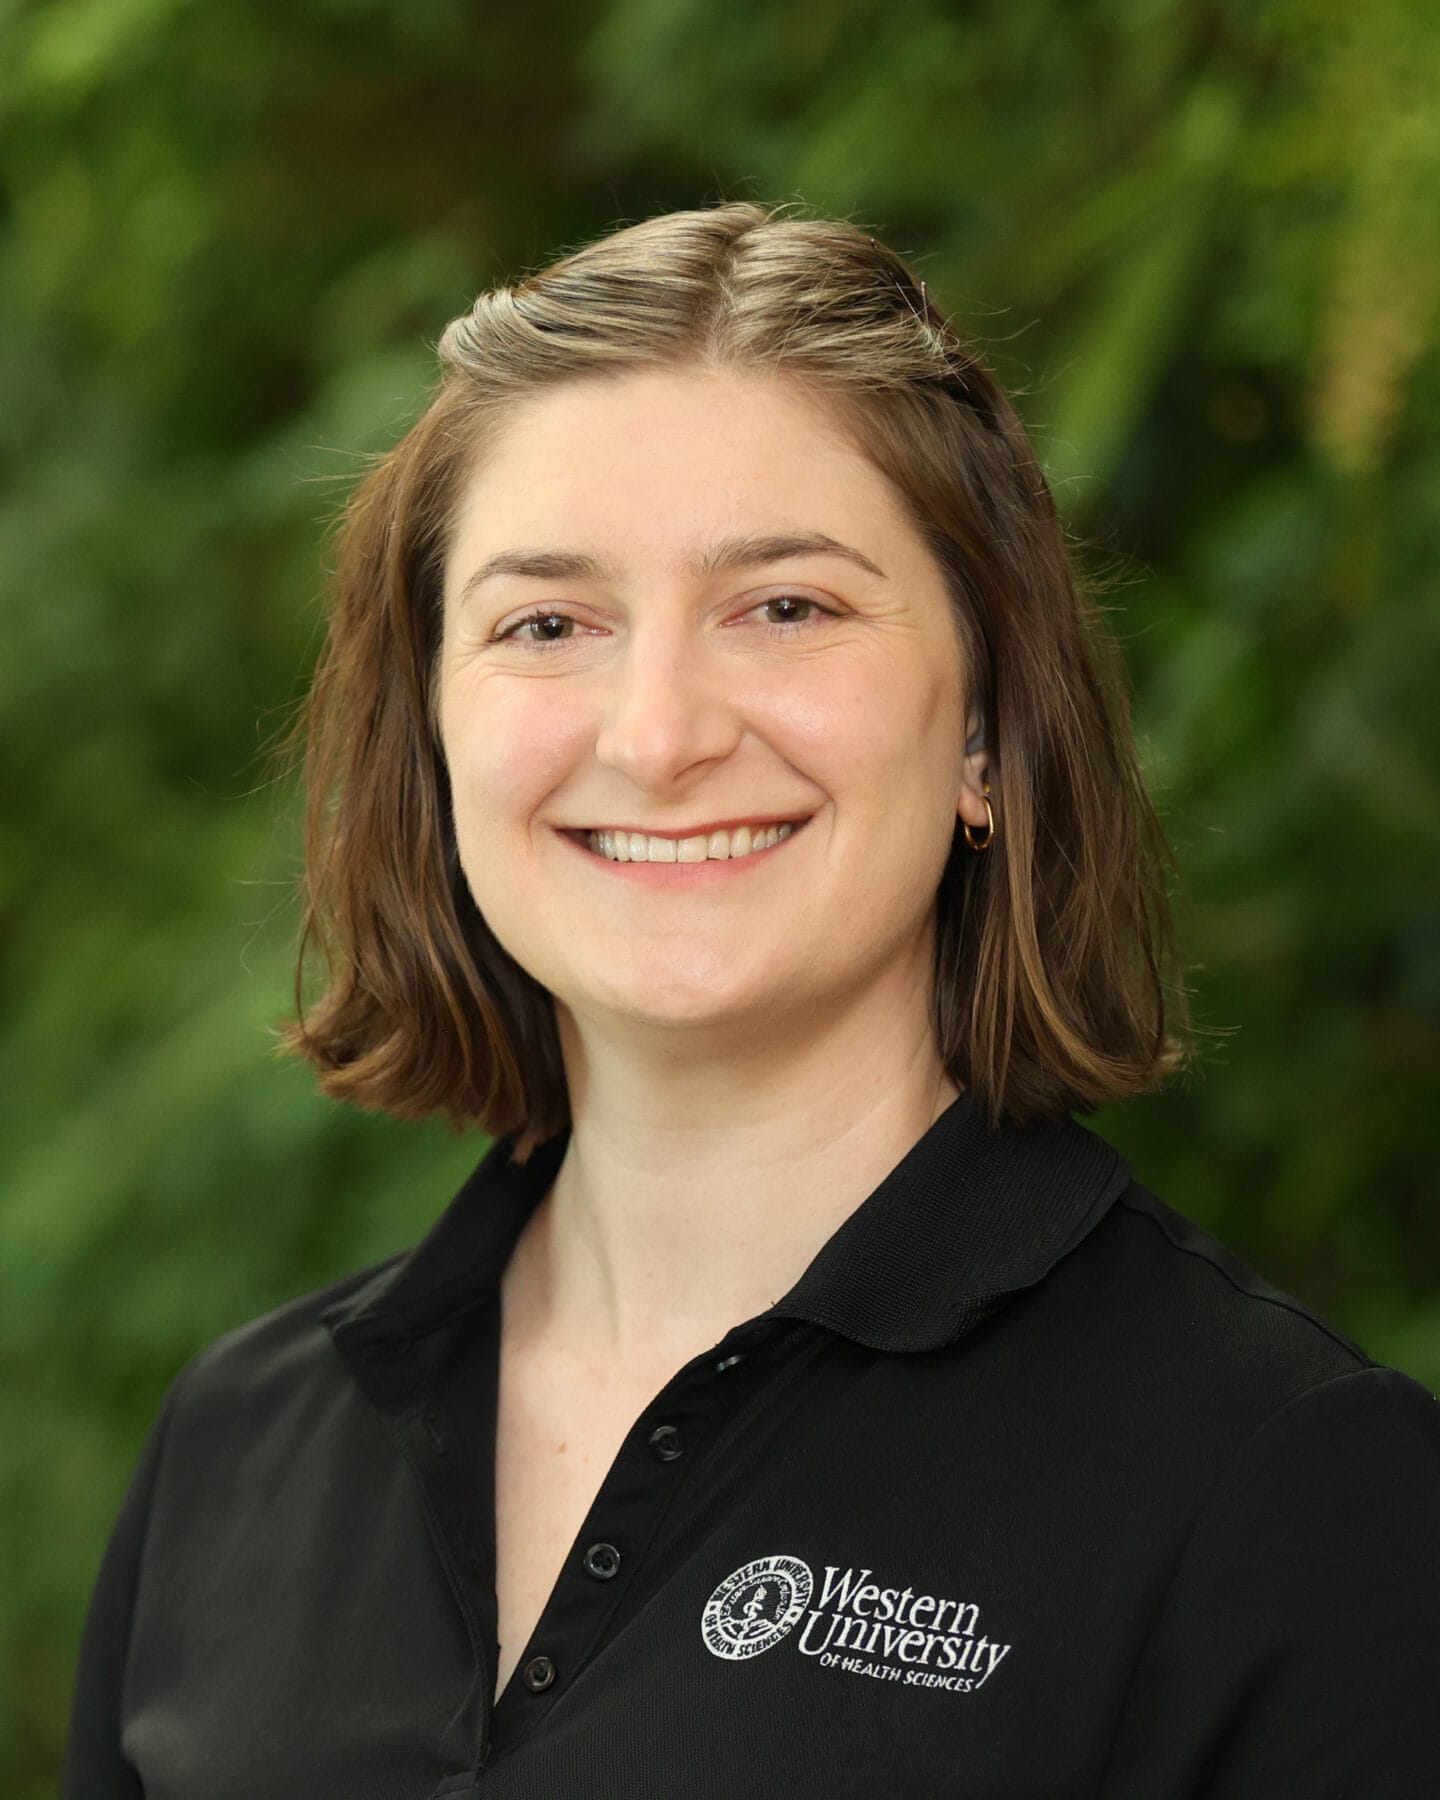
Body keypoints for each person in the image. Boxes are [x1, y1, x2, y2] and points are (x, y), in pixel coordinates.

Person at [63, 201, 1440, 1798]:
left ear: (986, 730)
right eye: (548, 624)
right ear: (433, 741)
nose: (657, 734)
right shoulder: (238, 1448)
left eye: (785, 606)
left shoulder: (1277, 1486)